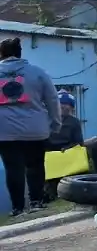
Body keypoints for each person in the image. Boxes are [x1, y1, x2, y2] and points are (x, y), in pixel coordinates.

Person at [0, 38, 59, 216]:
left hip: (5, 131)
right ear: (20, 53)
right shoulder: (37, 73)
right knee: (35, 165)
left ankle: (17, 208)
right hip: (35, 129)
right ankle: (36, 202)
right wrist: (55, 123)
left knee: (13, 168)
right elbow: (52, 99)